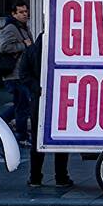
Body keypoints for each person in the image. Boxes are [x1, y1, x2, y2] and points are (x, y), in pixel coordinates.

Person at [20, 32, 73, 187]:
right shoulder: (62, 50)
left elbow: (23, 74)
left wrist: (37, 88)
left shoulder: (31, 51)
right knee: (60, 138)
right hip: (60, 99)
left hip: (39, 100)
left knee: (37, 139)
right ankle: (61, 177)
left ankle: (35, 177)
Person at [0, 2, 34, 142]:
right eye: (21, 12)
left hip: (22, 73)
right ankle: (22, 136)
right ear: (13, 14)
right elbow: (4, 47)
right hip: (14, 74)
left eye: (25, 11)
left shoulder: (23, 27)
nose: (25, 14)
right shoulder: (11, 28)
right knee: (22, 106)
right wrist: (24, 45)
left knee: (22, 104)